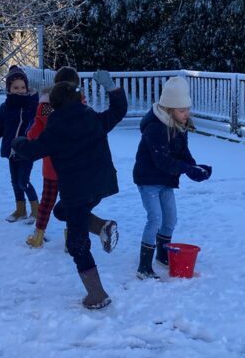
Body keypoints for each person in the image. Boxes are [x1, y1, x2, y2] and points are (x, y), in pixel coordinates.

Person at [12, 71, 127, 309]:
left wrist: (18, 142)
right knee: (60, 211)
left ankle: (97, 295)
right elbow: (118, 111)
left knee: (77, 244)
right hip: (101, 185)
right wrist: (112, 89)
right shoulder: (92, 118)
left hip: (77, 192)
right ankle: (102, 226)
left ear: (54, 106)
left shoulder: (56, 129)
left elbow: (32, 151)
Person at [25, 66, 118, 252]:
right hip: (76, 167)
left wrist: (30, 135)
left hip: (52, 165)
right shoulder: (81, 105)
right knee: (73, 203)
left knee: (48, 201)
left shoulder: (45, 106)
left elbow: (35, 134)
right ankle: (72, 237)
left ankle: (38, 235)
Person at [132, 76, 211, 279]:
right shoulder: (155, 127)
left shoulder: (179, 124)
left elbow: (182, 153)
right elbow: (163, 160)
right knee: (155, 218)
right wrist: (186, 169)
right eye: (182, 110)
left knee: (171, 218)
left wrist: (195, 168)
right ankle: (144, 267)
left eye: (187, 109)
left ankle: (162, 255)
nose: (187, 114)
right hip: (148, 179)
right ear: (169, 109)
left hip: (166, 180)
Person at [0, 69, 40, 222]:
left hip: (26, 150)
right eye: (15, 87)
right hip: (11, 151)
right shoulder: (5, 107)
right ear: (9, 89)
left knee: (23, 181)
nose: (20, 90)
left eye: (23, 87)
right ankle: (20, 210)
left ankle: (36, 211)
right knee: (15, 182)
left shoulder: (32, 106)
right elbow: (1, 127)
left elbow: (40, 125)